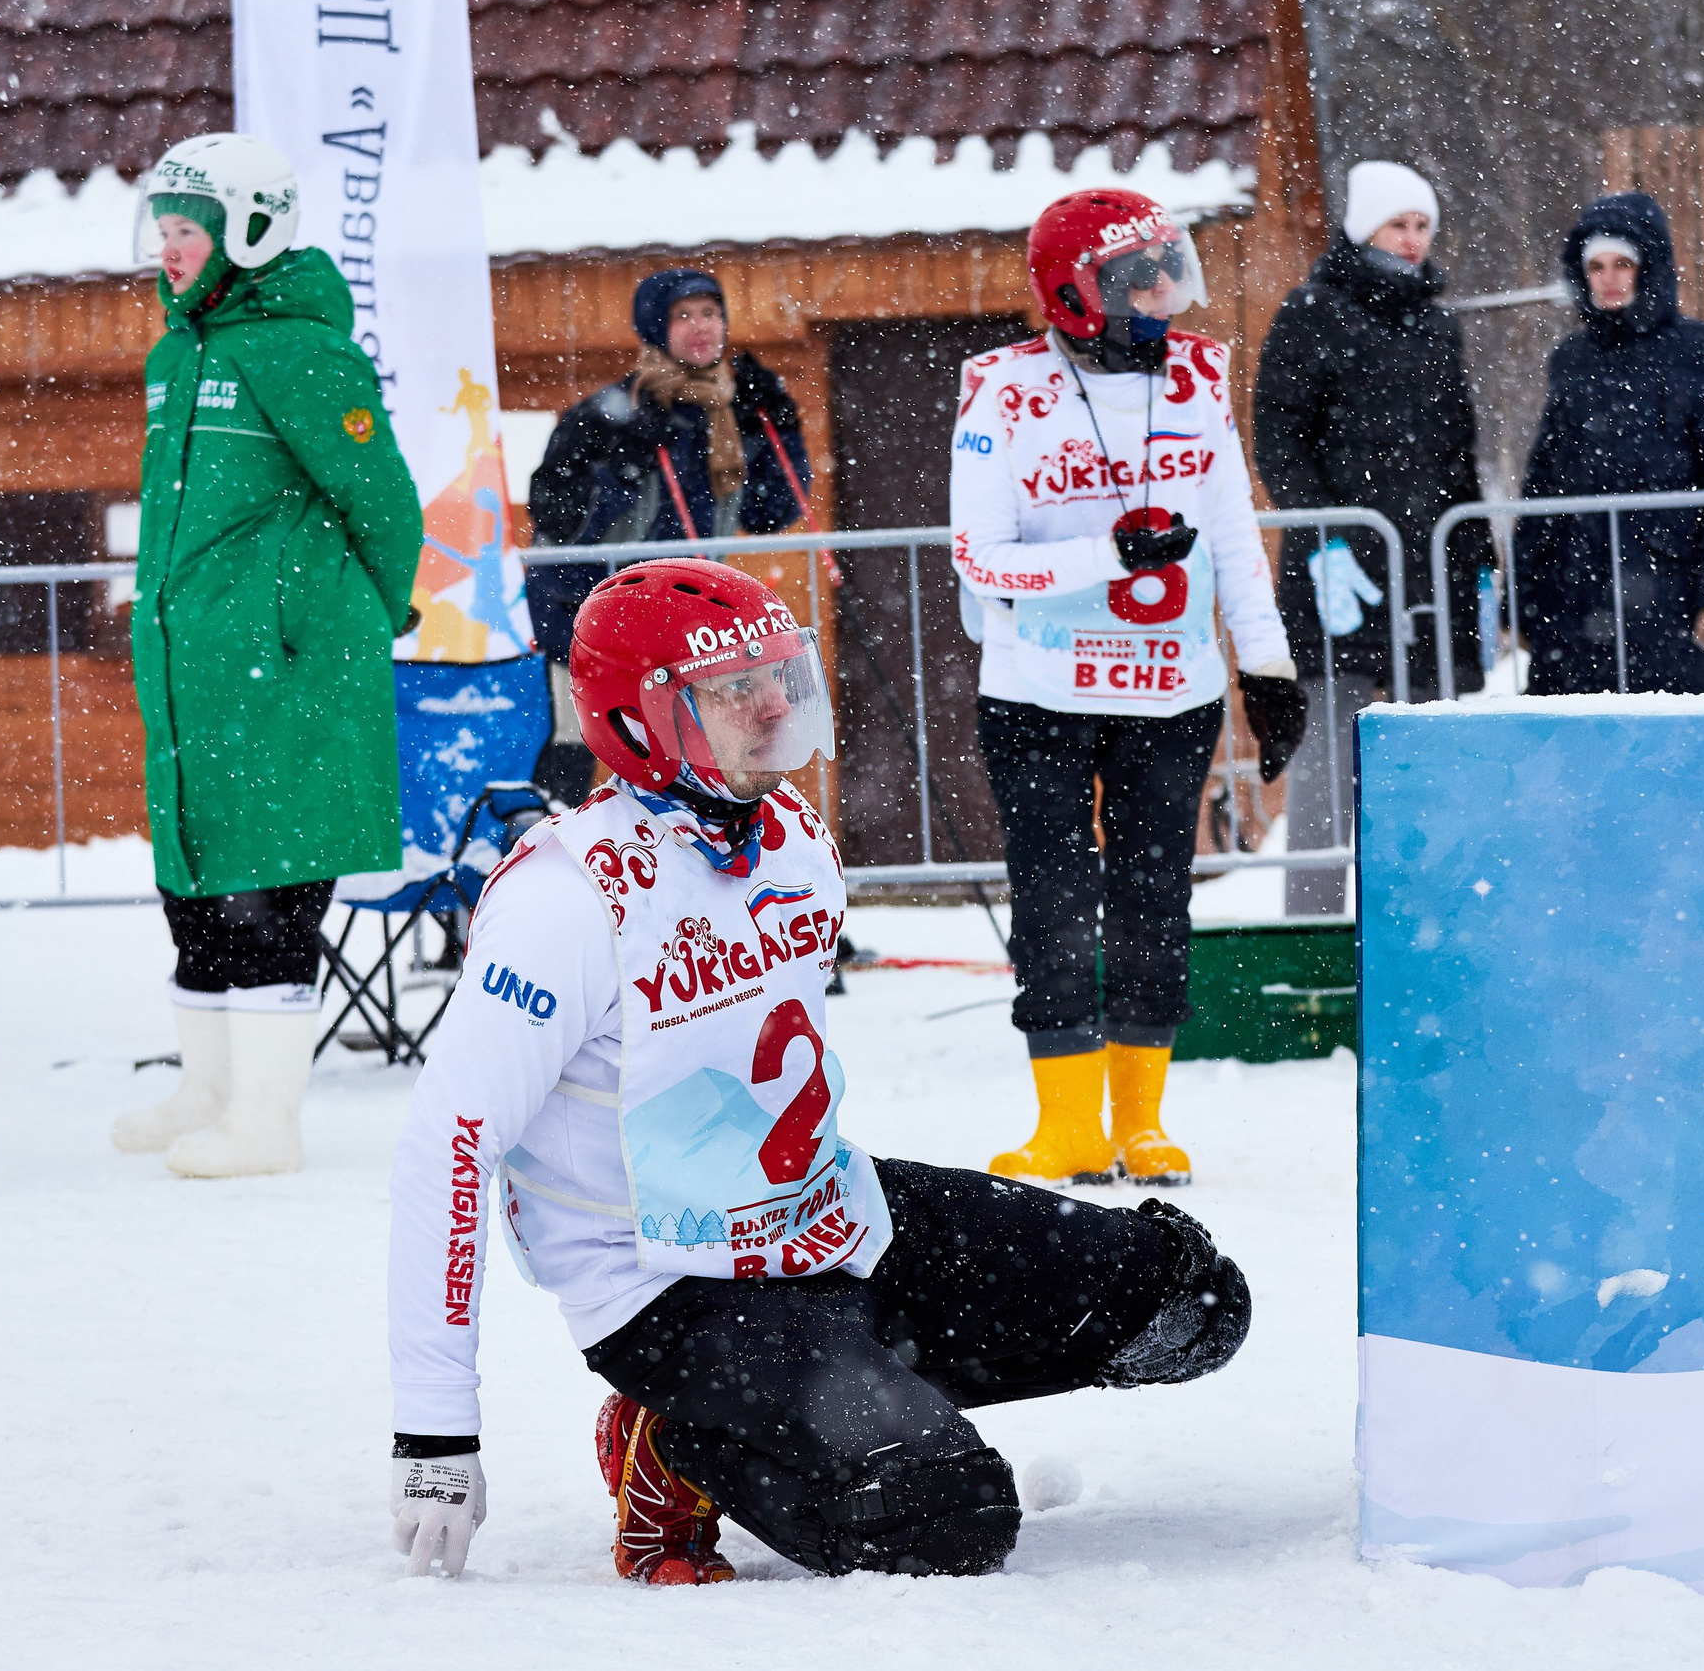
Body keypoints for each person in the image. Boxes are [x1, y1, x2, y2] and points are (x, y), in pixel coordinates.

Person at [383, 558, 1251, 1585]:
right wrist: (435, 1430)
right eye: (725, 688)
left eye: (775, 676)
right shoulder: (565, 898)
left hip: (826, 1220)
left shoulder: (792, 836)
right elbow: (449, 1141)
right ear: (637, 721)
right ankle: (679, 1437)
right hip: (670, 1286)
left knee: (1190, 1302)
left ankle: (842, 1390)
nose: (769, 705)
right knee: (947, 1520)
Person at [949, 189, 1309, 1187]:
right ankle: (1064, 1122)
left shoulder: (1197, 376)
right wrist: (1101, 556)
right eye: (1134, 273)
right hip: (1034, 691)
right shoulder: (1000, 388)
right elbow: (980, 558)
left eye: (1166, 265)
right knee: (1054, 897)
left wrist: (1267, 664)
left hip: (1170, 688)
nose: (1160, 289)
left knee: (1154, 894)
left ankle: (1141, 1117)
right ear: (1076, 292)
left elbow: (1233, 533)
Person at [110, 133, 423, 1178]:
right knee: (194, 885)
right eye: (162, 230)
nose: (169, 249)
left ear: (249, 228)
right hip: (194, 669)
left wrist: (359, 615)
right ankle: (208, 1090)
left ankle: (266, 1119)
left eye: (187, 230)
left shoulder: (300, 349)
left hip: (282, 668)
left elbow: (383, 500)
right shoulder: (176, 355)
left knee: (270, 884)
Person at [1254, 159, 1486, 917]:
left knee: (1433, 767)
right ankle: (1312, 926)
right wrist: (1323, 535)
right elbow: (1280, 439)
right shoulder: (1311, 313)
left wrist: (1478, 557)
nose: (1413, 239)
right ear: (1364, 228)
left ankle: (1430, 918)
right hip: (1341, 571)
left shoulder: (1437, 324)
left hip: (1429, 574)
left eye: (1423, 225)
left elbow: (1459, 455)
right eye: (1399, 224)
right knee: (1325, 763)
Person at [523, 269, 812, 805]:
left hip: (683, 627)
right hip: (588, 617)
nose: (701, 327)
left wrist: (785, 429)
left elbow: (772, 509)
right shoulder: (604, 414)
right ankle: (543, 859)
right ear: (655, 327)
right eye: (683, 316)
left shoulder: (728, 413)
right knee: (577, 743)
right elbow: (557, 524)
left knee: (686, 748)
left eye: (710, 313)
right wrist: (620, 469)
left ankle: (679, 859)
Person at [1516, 192, 1704, 695]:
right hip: (1572, 592)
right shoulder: (1571, 358)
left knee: (1663, 751)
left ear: (1649, 267)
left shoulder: (1702, 349)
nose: (1609, 278)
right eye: (1596, 266)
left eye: (1623, 263)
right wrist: (1518, 598)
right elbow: (1543, 482)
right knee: (1565, 756)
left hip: (1665, 588)